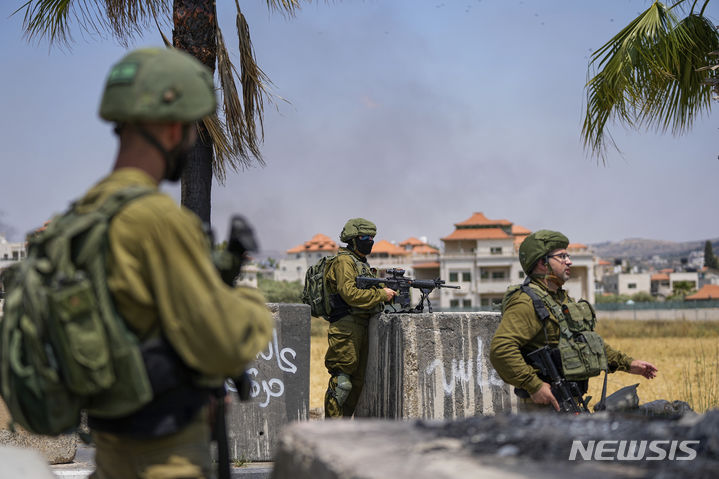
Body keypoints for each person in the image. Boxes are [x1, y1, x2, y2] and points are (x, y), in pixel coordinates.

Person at [82, 47, 273, 478]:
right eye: (190, 128)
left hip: (110, 452)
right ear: (171, 127)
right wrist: (251, 307)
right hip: (164, 458)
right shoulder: (156, 221)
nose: (191, 140)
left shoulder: (86, 213)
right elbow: (224, 340)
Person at [489, 230, 657, 412]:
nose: (569, 261)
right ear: (542, 262)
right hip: (543, 407)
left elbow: (587, 343)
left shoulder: (561, 300)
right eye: (561, 256)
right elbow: (501, 349)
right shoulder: (526, 301)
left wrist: (628, 363)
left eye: (567, 255)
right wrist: (534, 385)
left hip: (571, 399)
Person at [323, 218, 397, 418]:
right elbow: (349, 293)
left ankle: (343, 429)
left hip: (362, 324)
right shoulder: (344, 261)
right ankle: (330, 431)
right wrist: (382, 295)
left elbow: (367, 291)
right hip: (346, 326)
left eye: (372, 237)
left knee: (357, 384)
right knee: (342, 383)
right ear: (353, 239)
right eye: (365, 237)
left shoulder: (361, 263)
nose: (370, 241)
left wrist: (389, 292)